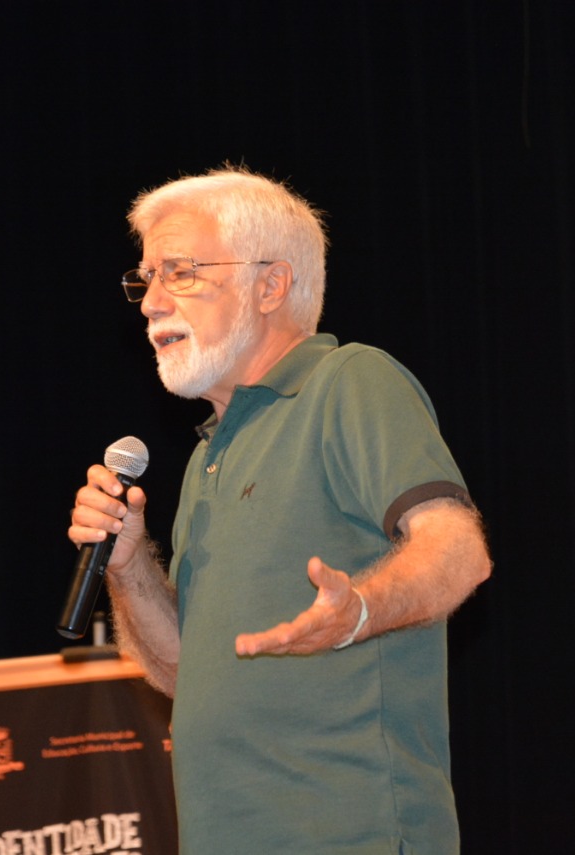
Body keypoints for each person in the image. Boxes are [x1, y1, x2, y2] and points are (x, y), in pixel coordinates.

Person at [68, 166, 491, 854]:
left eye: (180, 273)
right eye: (146, 280)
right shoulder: (210, 457)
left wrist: (359, 609)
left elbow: (460, 551)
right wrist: (127, 563)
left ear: (270, 286)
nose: (151, 303)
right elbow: (182, 671)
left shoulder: (348, 381)